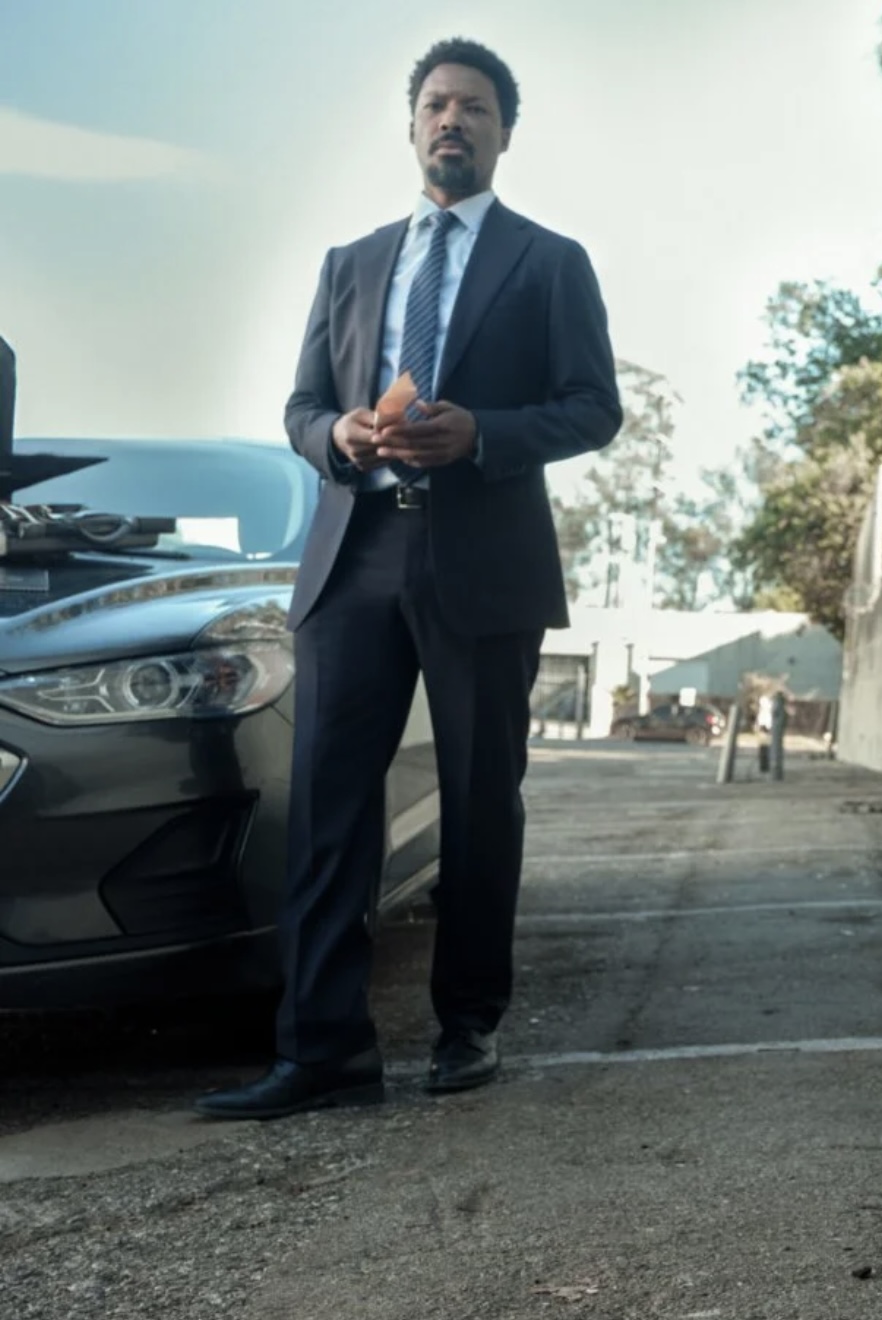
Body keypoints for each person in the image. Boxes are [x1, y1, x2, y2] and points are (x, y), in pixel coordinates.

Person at [197, 38, 621, 1120]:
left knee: (479, 801)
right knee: (329, 808)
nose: (451, 120)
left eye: (473, 106)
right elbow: (299, 407)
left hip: (482, 560)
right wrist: (336, 435)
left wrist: (485, 433)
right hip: (355, 558)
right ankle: (323, 1051)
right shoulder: (350, 263)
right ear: (412, 126)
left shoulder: (549, 262)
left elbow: (592, 407)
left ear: (504, 132)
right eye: (435, 104)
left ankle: (466, 1025)